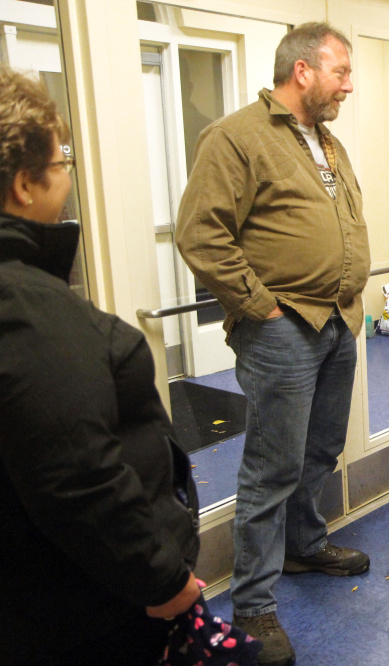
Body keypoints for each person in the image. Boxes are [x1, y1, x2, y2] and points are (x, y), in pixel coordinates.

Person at [176, 22, 370, 666]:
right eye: (341, 71)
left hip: (337, 321)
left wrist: (349, 294)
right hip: (284, 328)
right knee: (271, 467)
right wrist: (261, 306)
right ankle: (255, 605)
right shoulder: (236, 137)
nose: (349, 83)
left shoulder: (326, 141)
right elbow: (202, 235)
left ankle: (304, 545)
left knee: (320, 449)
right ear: (303, 72)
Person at [0, 66, 202, 663]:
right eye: (62, 163)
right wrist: (165, 581)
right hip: (78, 613)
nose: (68, 176)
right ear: (23, 185)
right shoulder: (27, 312)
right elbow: (78, 476)